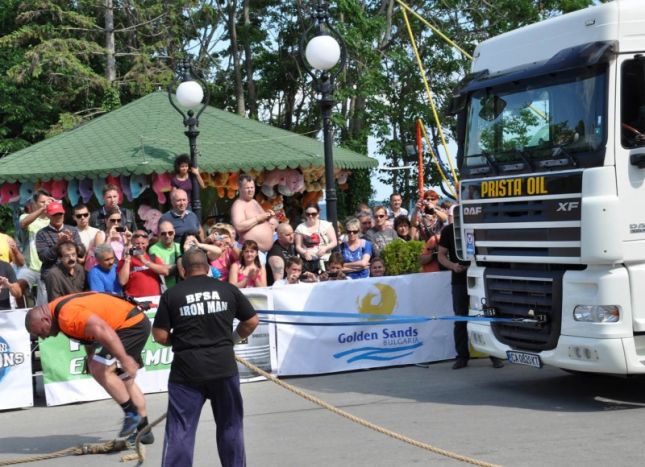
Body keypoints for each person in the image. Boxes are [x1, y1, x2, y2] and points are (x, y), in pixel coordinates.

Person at [152, 248, 259, 467]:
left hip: (187, 371)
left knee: (180, 429)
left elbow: (160, 335)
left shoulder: (172, 294)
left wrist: (179, 341)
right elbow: (251, 321)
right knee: (230, 426)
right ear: (208, 268)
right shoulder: (227, 289)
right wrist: (232, 339)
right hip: (223, 367)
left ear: (183, 270)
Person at [25, 292, 154, 443]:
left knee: (99, 368)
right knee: (125, 381)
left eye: (41, 332)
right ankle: (145, 432)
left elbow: (103, 330)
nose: (43, 337)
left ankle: (131, 413)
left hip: (130, 326)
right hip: (131, 323)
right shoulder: (57, 311)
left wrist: (124, 359)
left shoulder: (66, 316)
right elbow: (88, 335)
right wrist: (91, 355)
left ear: (45, 320)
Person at [438, 223, 504, 370]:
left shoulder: (480, 226)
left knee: (487, 315)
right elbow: (441, 255)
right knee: (460, 318)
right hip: (459, 279)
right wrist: (453, 266)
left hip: (480, 276)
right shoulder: (449, 230)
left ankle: (495, 355)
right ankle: (462, 356)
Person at [17, 190, 55, 305]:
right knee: (17, 286)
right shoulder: (26, 216)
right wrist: (43, 209)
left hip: (47, 267)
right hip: (29, 267)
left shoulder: (53, 220)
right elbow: (23, 223)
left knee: (43, 303)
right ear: (34, 203)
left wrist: (55, 207)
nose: (46, 204)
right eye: (42, 202)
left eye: (47, 201)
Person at [35, 200, 83, 279]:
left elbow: (82, 252)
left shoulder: (73, 230)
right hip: (51, 276)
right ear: (48, 215)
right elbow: (44, 257)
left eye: (60, 214)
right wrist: (58, 244)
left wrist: (72, 242)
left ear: (64, 214)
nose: (58, 217)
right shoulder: (41, 233)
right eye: (54, 214)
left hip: (72, 274)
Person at [117, 230, 170, 298]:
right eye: (137, 243)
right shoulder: (125, 260)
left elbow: (165, 272)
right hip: (134, 300)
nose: (140, 246)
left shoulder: (153, 258)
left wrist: (144, 261)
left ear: (147, 243)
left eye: (143, 243)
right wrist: (127, 259)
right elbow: (122, 281)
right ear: (132, 243)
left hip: (155, 299)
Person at [230, 175, 275, 253]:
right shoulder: (238, 205)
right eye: (247, 188)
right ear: (240, 188)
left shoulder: (254, 202)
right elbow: (239, 226)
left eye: (252, 187)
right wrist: (258, 219)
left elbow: (263, 217)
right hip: (252, 252)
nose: (250, 190)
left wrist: (269, 215)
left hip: (268, 249)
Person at [294, 203, 338, 274]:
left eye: (313, 214)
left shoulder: (326, 225)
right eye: (308, 214)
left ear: (318, 213)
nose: (310, 216)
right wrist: (304, 252)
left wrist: (325, 248)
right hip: (308, 261)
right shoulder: (300, 227)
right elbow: (298, 246)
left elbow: (334, 242)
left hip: (325, 260)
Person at [148, 221, 181, 288]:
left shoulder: (180, 247)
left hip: (181, 287)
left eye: (170, 233)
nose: (167, 236)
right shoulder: (153, 249)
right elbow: (163, 271)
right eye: (163, 233)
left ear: (174, 232)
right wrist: (181, 266)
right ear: (158, 234)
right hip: (165, 289)